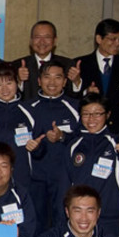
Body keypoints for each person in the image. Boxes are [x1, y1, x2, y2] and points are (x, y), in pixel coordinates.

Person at [61, 94, 119, 237]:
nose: (91, 119)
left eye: (97, 114)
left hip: (108, 214)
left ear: (108, 115)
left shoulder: (115, 142)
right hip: (80, 217)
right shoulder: (73, 146)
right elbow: (64, 185)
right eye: (86, 114)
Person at [27, 60, 80, 228]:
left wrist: (63, 136)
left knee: (62, 222)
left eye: (58, 78)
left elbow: (83, 139)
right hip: (34, 177)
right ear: (39, 81)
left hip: (64, 177)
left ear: (65, 81)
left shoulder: (75, 107)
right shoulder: (27, 107)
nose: (52, 82)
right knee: (36, 222)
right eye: (47, 77)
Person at [0, 64, 45, 189]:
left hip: (22, 180)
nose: (5, 89)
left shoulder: (31, 112)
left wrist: (37, 148)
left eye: (9, 83)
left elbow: (41, 149)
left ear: (17, 82)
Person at [13, 21, 74, 102]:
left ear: (55, 40)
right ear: (31, 41)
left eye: (47, 37)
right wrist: (19, 81)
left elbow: (73, 97)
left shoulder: (68, 65)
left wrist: (76, 82)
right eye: (37, 37)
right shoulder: (16, 65)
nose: (42, 41)